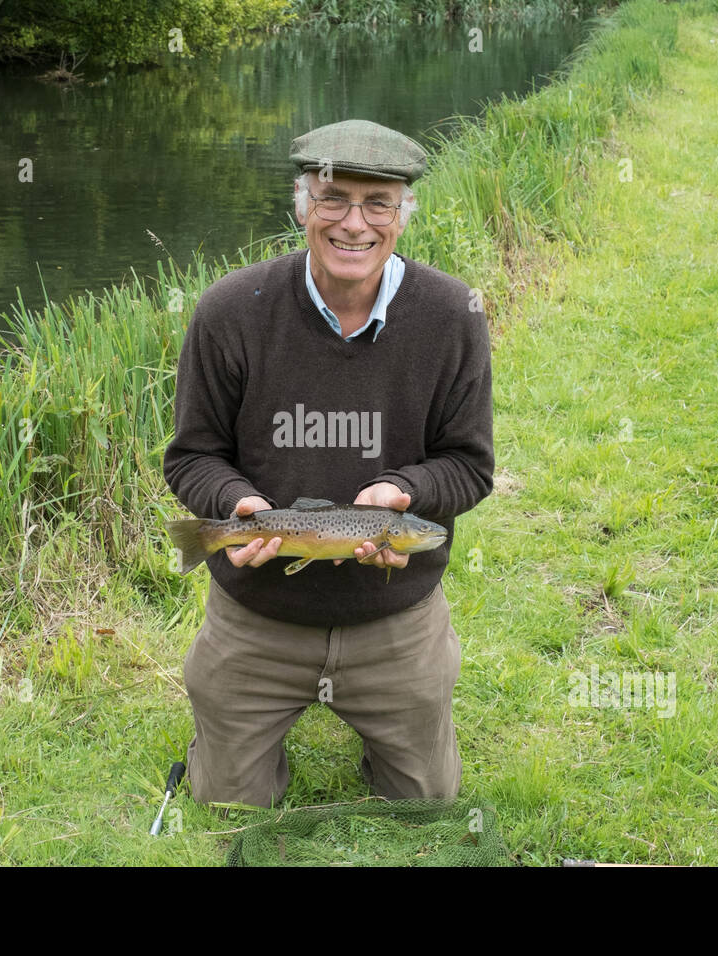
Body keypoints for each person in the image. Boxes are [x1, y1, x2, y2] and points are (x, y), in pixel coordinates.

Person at [163, 118, 494, 808]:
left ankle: (391, 726)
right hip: (259, 613)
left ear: (405, 214)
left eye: (378, 203)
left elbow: (469, 466)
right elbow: (193, 456)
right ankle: (229, 734)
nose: (354, 224)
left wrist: (405, 491)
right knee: (225, 803)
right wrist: (234, 509)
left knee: (426, 805)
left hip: (393, 617)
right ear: (302, 206)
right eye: (333, 198)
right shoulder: (230, 310)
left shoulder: (452, 314)